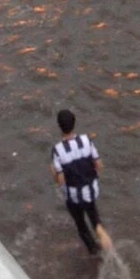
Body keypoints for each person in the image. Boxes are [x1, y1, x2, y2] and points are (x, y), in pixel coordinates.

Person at [51, 109, 107, 257]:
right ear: (74, 123)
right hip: (90, 189)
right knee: (92, 212)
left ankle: (94, 252)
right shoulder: (86, 141)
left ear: (59, 126)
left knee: (81, 225)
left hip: (73, 196)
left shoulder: (58, 150)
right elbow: (98, 164)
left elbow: (60, 180)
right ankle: (99, 228)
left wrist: (54, 175)